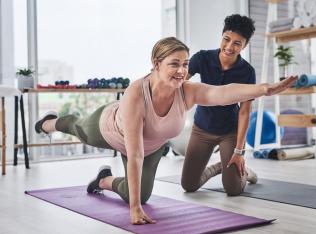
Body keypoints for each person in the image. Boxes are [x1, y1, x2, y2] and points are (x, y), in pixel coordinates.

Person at [35, 37, 297, 225]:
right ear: (156, 63)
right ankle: (50, 122)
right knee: (77, 129)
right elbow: (134, 154)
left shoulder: (187, 90)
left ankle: (103, 180)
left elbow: (223, 93)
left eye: (185, 64)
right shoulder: (137, 93)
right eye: (174, 64)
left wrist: (264, 89)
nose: (182, 71)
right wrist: (134, 210)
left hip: (150, 145)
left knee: (141, 193)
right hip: (108, 127)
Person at [181, 14, 259, 196]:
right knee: (189, 185)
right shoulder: (202, 58)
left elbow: (245, 112)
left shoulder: (247, 72)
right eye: (227, 39)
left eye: (237, 43)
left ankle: (245, 172)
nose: (230, 47)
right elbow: (179, 83)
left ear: (244, 46)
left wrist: (239, 151)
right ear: (222, 36)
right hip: (202, 129)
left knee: (233, 189)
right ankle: (219, 167)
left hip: (229, 133)